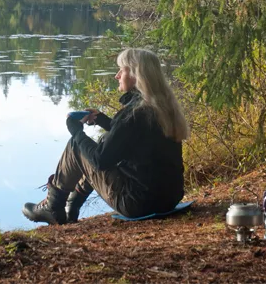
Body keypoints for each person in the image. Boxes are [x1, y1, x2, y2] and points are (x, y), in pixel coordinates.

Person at [22, 48, 190, 224]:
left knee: (78, 146)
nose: (117, 76)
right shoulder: (162, 108)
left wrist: (77, 132)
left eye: (121, 70)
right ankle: (71, 207)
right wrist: (103, 120)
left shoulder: (133, 114)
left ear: (135, 74)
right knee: (99, 144)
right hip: (169, 199)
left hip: (138, 203)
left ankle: (52, 206)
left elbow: (100, 160)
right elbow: (135, 140)